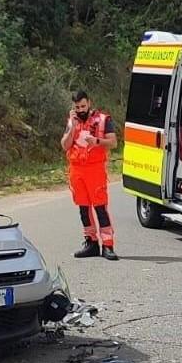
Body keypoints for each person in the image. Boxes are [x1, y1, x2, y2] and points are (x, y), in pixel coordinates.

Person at [61, 90, 119, 260]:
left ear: (89, 103)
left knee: (100, 207)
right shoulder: (72, 121)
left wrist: (97, 141)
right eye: (77, 107)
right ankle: (91, 242)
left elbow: (113, 142)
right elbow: (65, 145)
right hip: (76, 169)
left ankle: (108, 245)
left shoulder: (103, 119)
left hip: (95, 169)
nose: (80, 110)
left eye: (83, 106)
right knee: (83, 208)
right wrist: (72, 127)